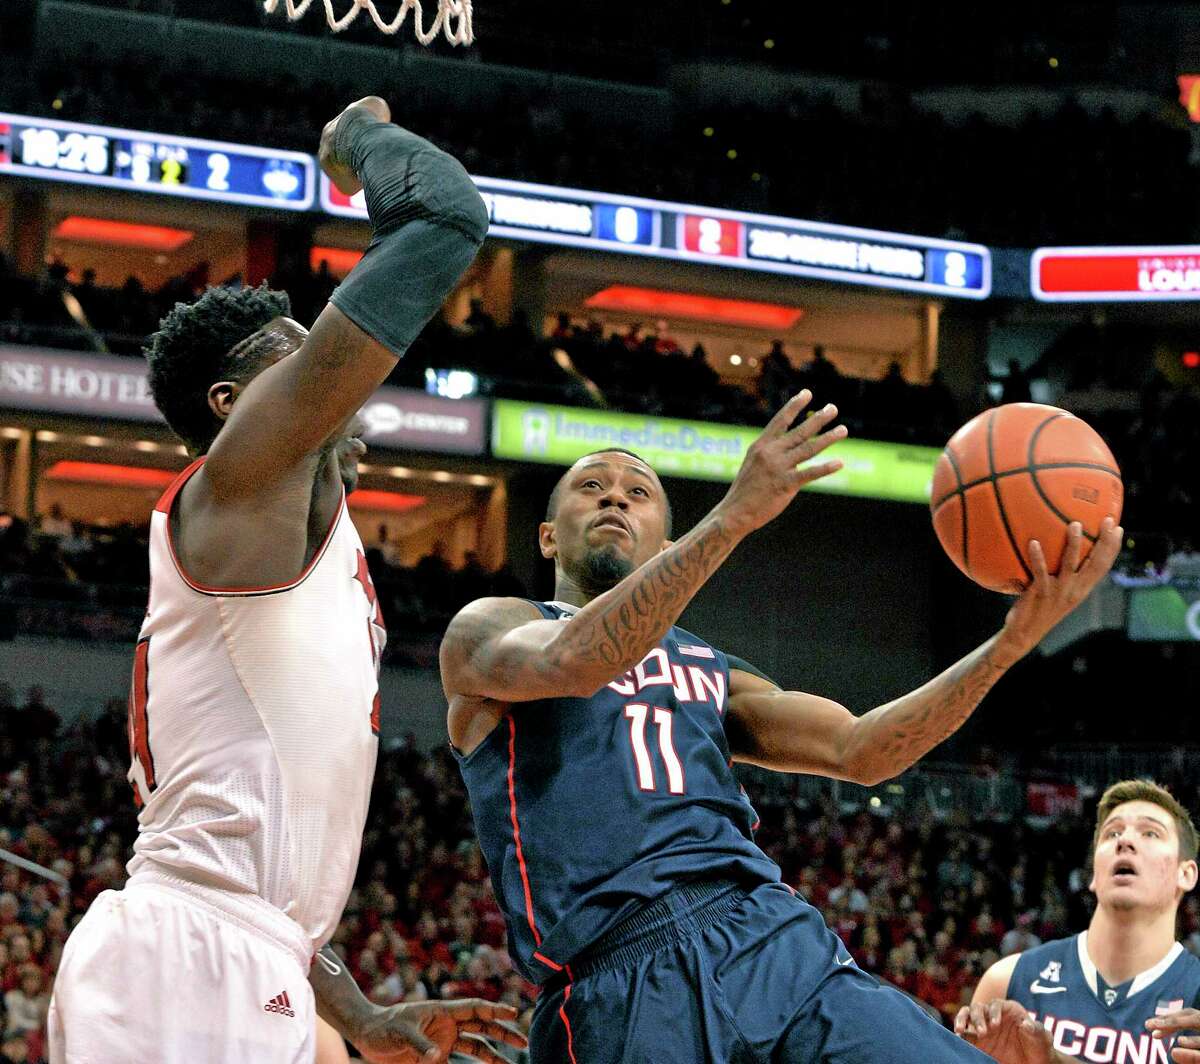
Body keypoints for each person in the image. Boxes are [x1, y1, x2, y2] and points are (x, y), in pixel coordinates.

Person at [47, 96, 521, 1064]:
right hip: (182, 957)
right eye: (295, 352)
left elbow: (255, 874)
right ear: (232, 403)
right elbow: (446, 219)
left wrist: (356, 1012)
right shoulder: (239, 484)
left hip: (247, 955)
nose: (331, 365)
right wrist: (357, 144)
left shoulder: (304, 543)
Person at [439, 398, 1121, 1064]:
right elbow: (577, 660)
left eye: (638, 493)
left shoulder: (711, 669)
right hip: (619, 971)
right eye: (591, 487)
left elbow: (861, 749)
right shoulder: (487, 628)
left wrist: (1009, 644)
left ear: (667, 544)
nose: (615, 499)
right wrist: (733, 517)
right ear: (548, 534)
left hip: (768, 936)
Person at [956, 780, 1200, 1064]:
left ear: (1187, 874)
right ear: (1094, 874)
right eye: (1112, 833)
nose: (1125, 841)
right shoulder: (1008, 980)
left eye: (1150, 833)